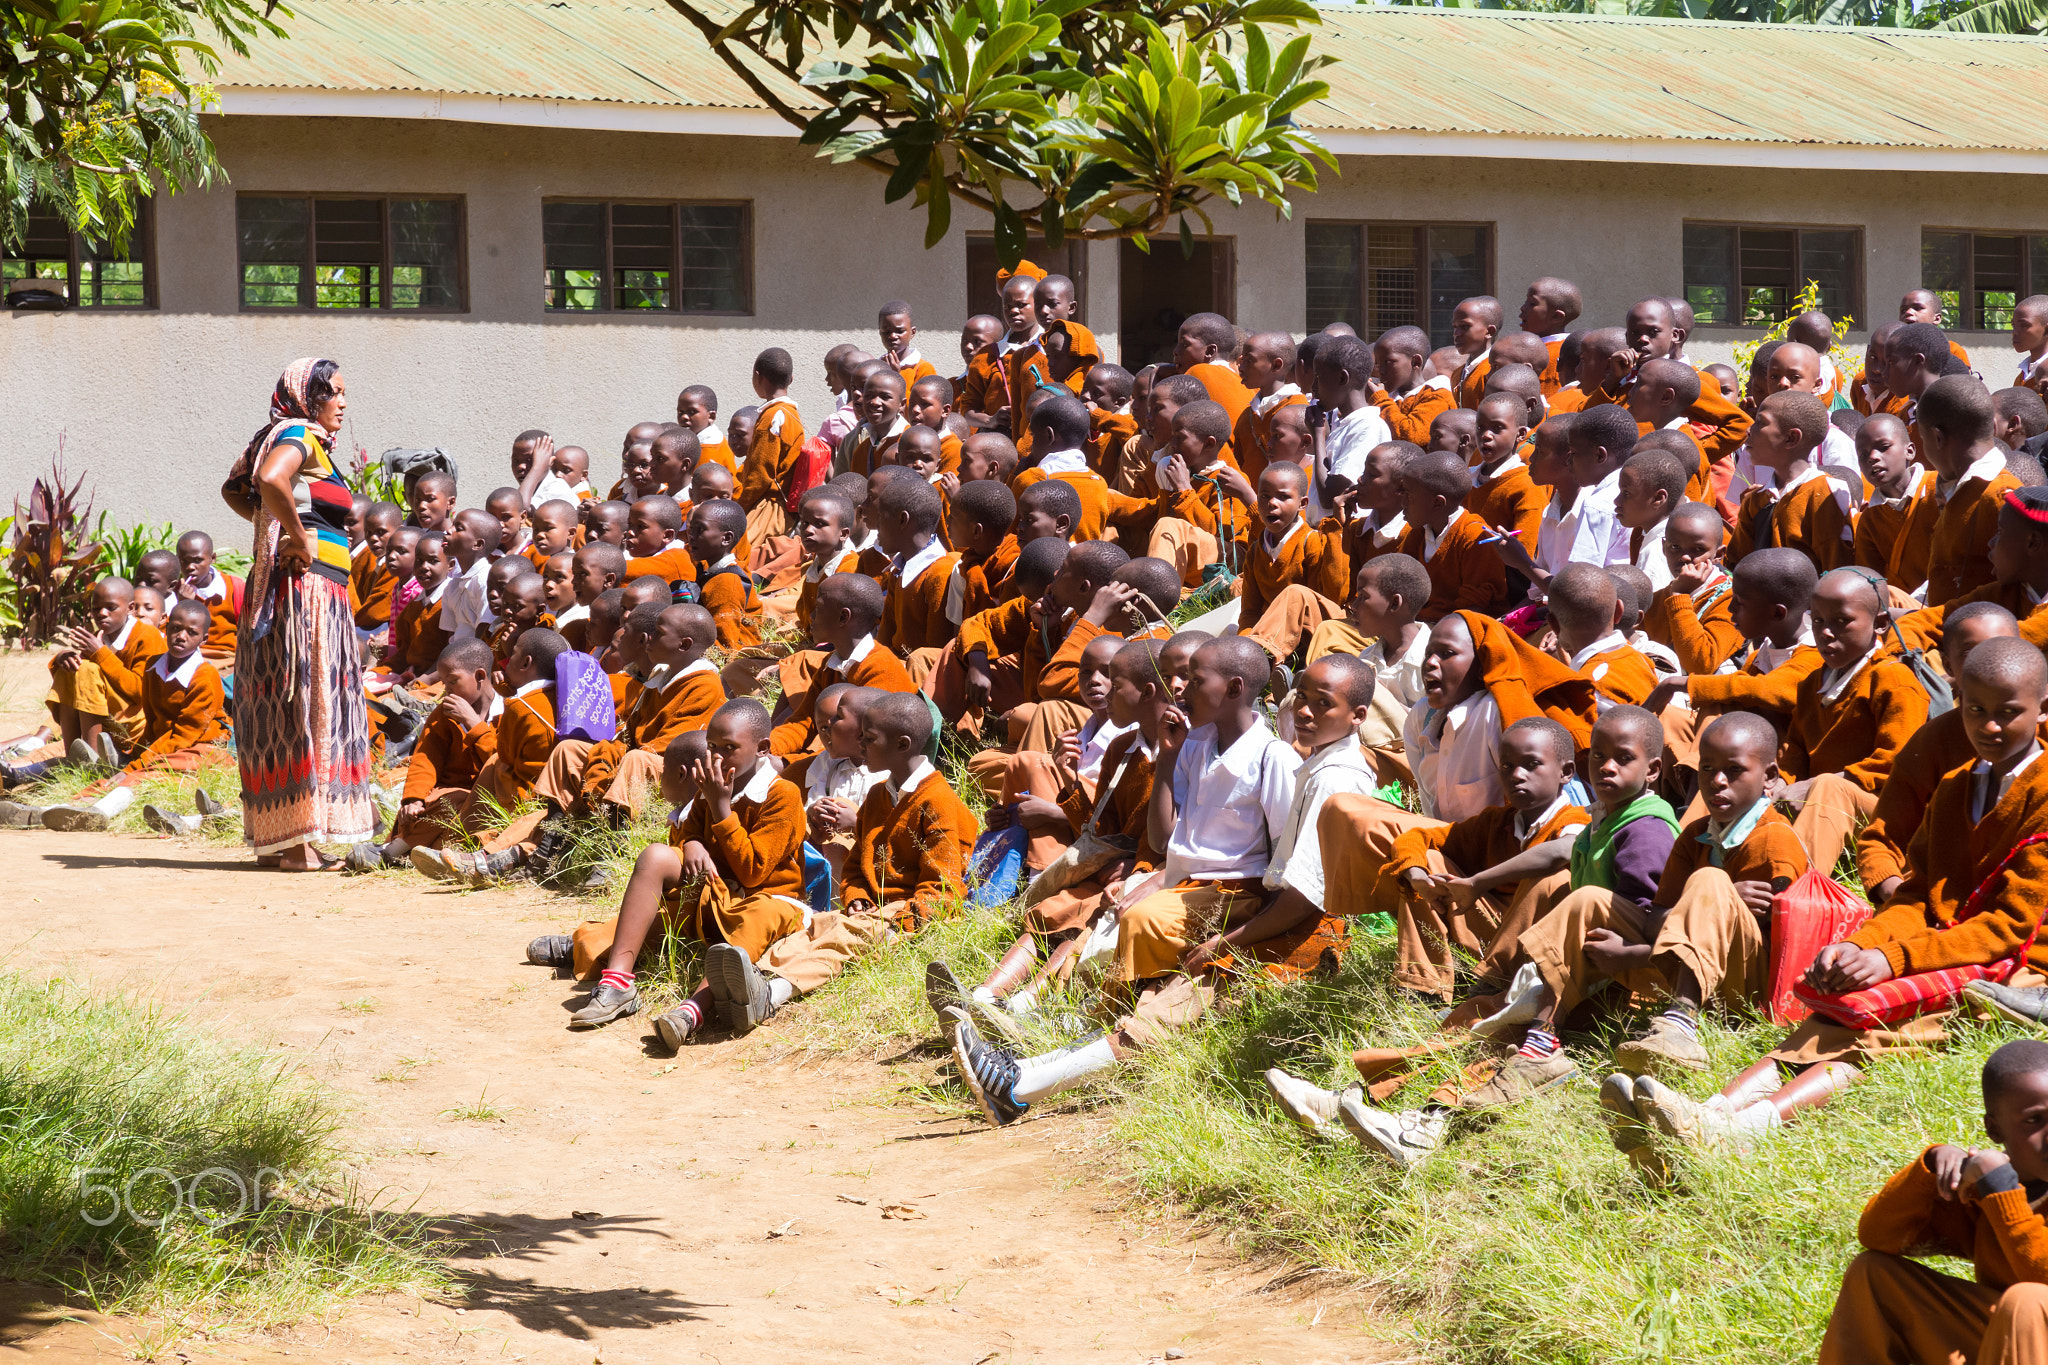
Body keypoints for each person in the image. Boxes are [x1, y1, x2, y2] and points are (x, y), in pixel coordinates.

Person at [1641, 637, 2048, 1153]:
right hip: (1944, 939)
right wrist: (1863, 945)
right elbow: (1920, 893)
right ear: (1958, 702)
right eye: (1976, 710)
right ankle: (1712, 1110)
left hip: (2022, 961)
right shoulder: (1954, 787)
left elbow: (2013, 924)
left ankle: (1742, 1131)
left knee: (1885, 1028)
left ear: (2042, 707)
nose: (1989, 726)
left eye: (2008, 713)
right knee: (1835, 1008)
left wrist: (1892, 958)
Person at [947, 638, 1302, 1127]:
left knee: (1140, 934)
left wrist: (1251, 925)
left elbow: (1285, 860)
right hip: (1178, 880)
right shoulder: (1194, 744)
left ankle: (1038, 1044)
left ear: (1236, 688)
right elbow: (1162, 837)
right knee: (1123, 924)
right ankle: (1029, 1056)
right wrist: (1171, 762)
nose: (1183, 692)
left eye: (1196, 683)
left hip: (1233, 894)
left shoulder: (1273, 757)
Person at [712, 693, 980, 1035]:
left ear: (902, 744)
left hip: (908, 914)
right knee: (809, 929)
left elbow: (943, 885)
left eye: (869, 739)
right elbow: (856, 863)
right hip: (872, 908)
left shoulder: (938, 799)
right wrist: (855, 896)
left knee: (846, 938)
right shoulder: (881, 794)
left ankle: (771, 994)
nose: (862, 745)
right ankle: (749, 981)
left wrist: (901, 922)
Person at [562, 699, 811, 1040]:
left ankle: (691, 1010)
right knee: (655, 856)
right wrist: (692, 842)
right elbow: (688, 833)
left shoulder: (782, 794)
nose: (718, 757)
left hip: (764, 899)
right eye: (711, 747)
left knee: (753, 923)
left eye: (730, 748)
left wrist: (722, 810)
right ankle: (617, 983)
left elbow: (753, 872)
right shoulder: (713, 785)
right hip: (713, 889)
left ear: (763, 748)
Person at [225, 357, 376, 871]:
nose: (343, 402)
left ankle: (285, 841)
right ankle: (296, 846)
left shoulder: (276, 434)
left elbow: (235, 488)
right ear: (308, 397)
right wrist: (294, 536)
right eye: (334, 392)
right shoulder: (298, 435)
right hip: (305, 594)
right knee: (309, 702)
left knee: (289, 705)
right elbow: (268, 479)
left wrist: (275, 523)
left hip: (299, 590)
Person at [1818, 1039, 2048, 1364]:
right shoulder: (1982, 1192)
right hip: (2012, 1340)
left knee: (2027, 1301)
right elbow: (1878, 1236)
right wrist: (1933, 1167)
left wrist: (2001, 1190)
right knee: (1872, 1273)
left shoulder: (1997, 1190)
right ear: (1994, 1130)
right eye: (2034, 1121)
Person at [6, 598, 229, 832]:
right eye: (175, 628)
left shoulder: (205, 677)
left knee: (147, 775)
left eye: (191, 632)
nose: (181, 636)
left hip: (200, 749)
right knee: (121, 777)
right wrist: (138, 757)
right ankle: (53, 810)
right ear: (166, 628)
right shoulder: (155, 667)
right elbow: (152, 724)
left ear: (203, 639)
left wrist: (137, 765)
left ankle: (99, 812)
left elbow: (184, 736)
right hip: (162, 747)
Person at [1857, 601, 2021, 903]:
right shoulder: (1933, 740)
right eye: (1972, 654)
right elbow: (1882, 836)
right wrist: (1892, 888)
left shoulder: (2040, 732)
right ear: (1947, 665)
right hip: (1939, 900)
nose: (1990, 664)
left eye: (2002, 649)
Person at [1776, 568, 1932, 873]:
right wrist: (1781, 782)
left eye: (1841, 621)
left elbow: (1894, 762)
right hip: (1818, 804)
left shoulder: (1893, 679)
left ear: (1881, 623)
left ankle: (1793, 891)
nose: (1826, 632)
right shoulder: (1812, 684)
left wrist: (1819, 785)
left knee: (1829, 787)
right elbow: (1794, 750)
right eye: (1818, 621)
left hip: (1882, 814)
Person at [1729, 390, 1855, 569]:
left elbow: (1837, 569)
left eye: (1760, 423)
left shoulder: (1824, 495)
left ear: (1791, 438)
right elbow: (1736, 564)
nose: (1749, 430)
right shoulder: (1755, 500)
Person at [1394, 449, 1509, 620]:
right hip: (1417, 625)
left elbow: (1473, 612)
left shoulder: (1474, 537)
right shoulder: (1418, 533)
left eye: (1409, 496)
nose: (1402, 503)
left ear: (1438, 503)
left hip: (1456, 631)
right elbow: (1401, 584)